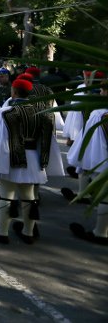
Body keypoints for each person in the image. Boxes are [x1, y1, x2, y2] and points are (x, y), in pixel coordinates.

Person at [0, 79, 64, 244]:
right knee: (28, 196)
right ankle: (28, 232)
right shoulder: (42, 112)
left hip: (10, 158)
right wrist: (43, 161)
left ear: (14, 92)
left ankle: (2, 232)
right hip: (32, 158)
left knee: (6, 195)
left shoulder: (5, 113)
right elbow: (47, 141)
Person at [69, 80, 108, 245]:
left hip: (103, 159)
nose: (101, 93)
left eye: (103, 90)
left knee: (105, 197)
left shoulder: (100, 114)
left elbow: (92, 140)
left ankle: (101, 233)